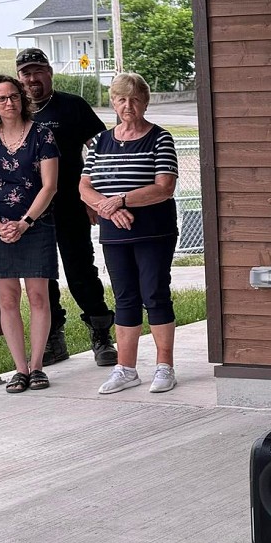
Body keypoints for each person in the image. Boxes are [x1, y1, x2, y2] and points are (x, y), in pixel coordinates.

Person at [14, 48, 116, 367]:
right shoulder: (13, 111)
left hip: (72, 204)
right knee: (42, 277)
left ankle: (101, 334)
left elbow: (102, 150)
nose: (33, 79)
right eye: (26, 73)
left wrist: (95, 196)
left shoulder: (72, 105)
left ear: (50, 73)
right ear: (19, 78)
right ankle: (53, 339)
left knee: (80, 271)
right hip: (30, 211)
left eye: (38, 71)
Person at [81, 72, 180, 395]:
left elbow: (164, 187)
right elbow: (84, 186)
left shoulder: (160, 138)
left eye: (135, 99)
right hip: (114, 233)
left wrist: (121, 200)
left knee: (154, 293)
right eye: (122, 99)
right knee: (124, 298)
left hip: (153, 231)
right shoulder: (100, 141)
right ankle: (126, 369)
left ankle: (165, 366)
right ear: (112, 102)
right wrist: (109, 207)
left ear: (145, 102)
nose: (128, 105)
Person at [0, 75, 59, 393]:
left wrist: (25, 222)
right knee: (7, 300)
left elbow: (50, 185)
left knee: (38, 297)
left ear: (22, 98)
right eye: (2, 99)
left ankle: (37, 367)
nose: (9, 103)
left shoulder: (43, 135)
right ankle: (19, 369)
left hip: (35, 226)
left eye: (14, 97)